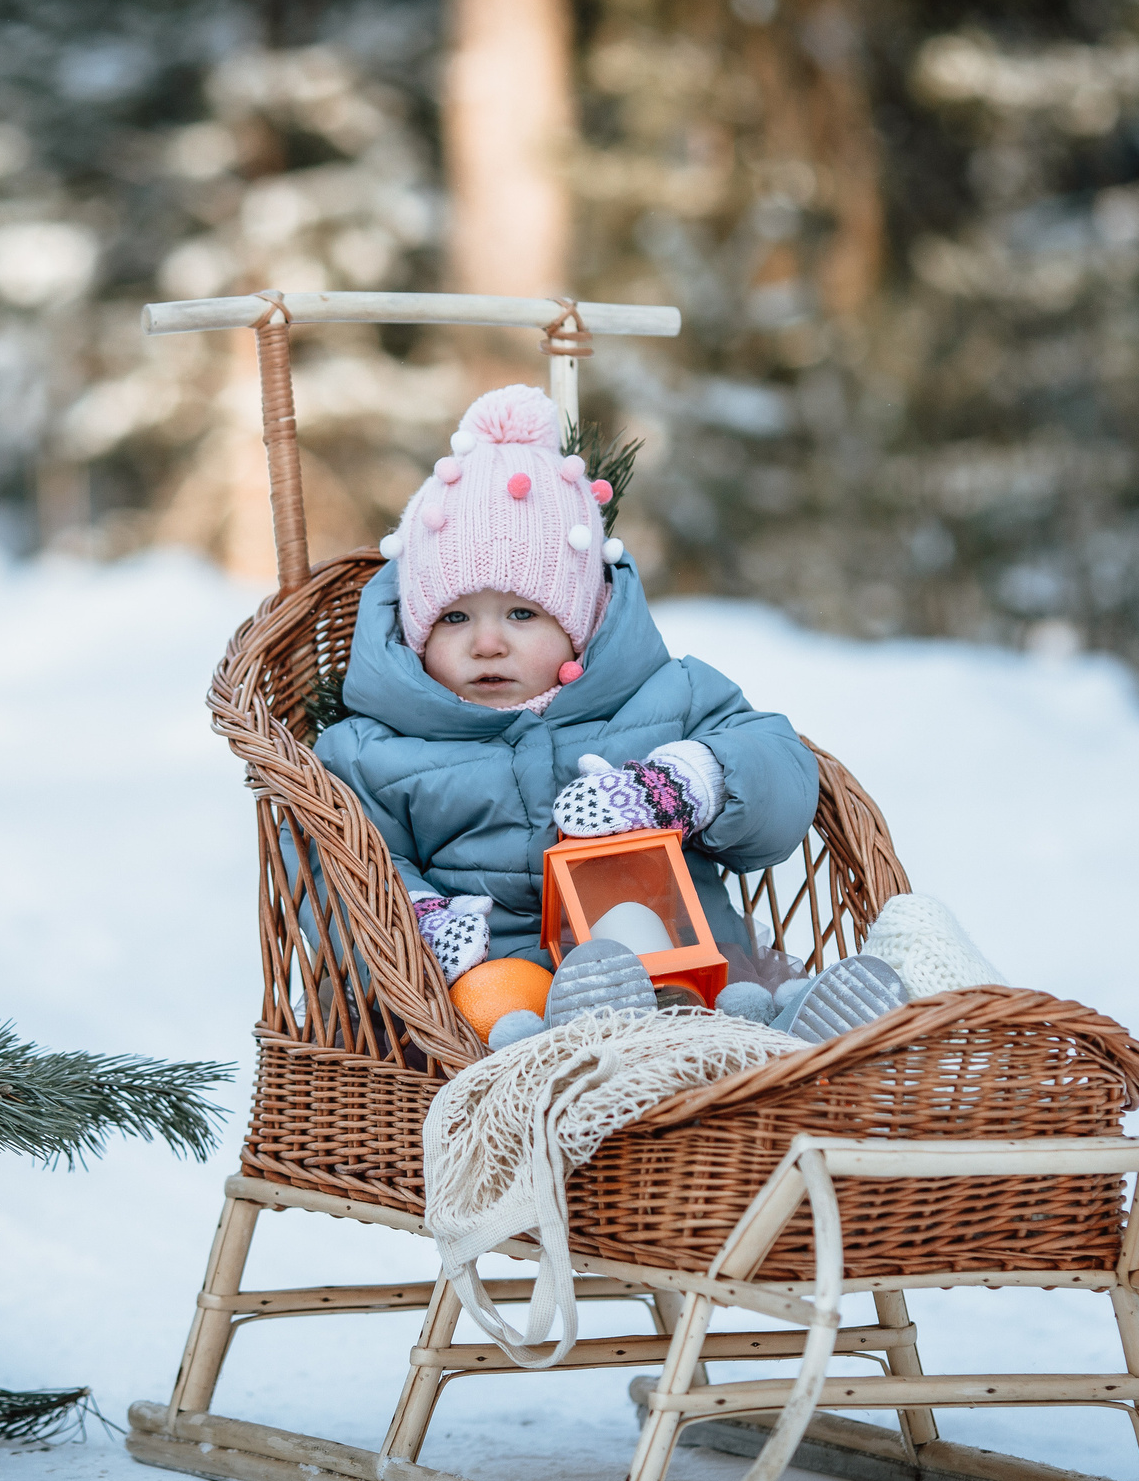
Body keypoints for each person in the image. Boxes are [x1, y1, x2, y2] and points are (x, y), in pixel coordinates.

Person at [314, 384, 819, 1020]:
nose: (488, 643)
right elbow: (333, 856)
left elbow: (782, 765)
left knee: (723, 999)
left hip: (689, 973)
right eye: (454, 618)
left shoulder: (666, 697)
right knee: (500, 1013)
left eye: (523, 613)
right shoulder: (374, 751)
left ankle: (806, 1027)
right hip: (502, 1001)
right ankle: (541, 1064)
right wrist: (415, 921)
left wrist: (691, 784)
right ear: (417, 633)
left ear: (579, 620)